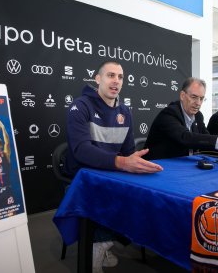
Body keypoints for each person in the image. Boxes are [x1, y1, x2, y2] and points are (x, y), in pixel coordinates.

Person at [65, 60, 163, 273]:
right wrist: (122, 162)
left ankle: (104, 241)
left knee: (142, 191)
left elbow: (127, 152)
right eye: (110, 75)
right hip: (84, 173)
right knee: (107, 193)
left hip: (111, 170)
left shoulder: (125, 111)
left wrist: (135, 162)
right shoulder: (80, 106)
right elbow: (81, 150)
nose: (116, 81)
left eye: (120, 77)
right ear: (98, 79)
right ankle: (97, 245)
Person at [144, 77, 218, 160]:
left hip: (184, 167)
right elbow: (185, 138)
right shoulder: (169, 113)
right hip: (157, 166)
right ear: (182, 95)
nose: (198, 103)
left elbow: (205, 139)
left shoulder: (198, 116)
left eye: (201, 98)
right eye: (194, 97)